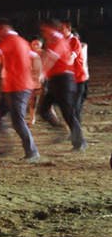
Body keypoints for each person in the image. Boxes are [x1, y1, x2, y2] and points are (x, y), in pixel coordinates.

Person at [0, 19, 39, 161]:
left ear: (2, 29)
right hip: (13, 87)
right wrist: (36, 76)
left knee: (17, 121)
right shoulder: (22, 41)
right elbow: (36, 57)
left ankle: (32, 152)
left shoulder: (10, 40)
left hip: (18, 88)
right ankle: (6, 147)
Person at [39, 19, 87, 152]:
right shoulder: (52, 40)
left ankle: (80, 141)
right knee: (43, 110)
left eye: (45, 29)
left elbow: (52, 58)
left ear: (52, 28)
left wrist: (41, 74)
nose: (43, 32)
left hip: (63, 80)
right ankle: (61, 131)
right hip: (56, 80)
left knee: (68, 113)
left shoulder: (57, 40)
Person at [61, 19, 89, 123]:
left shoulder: (74, 41)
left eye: (62, 28)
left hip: (78, 79)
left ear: (68, 29)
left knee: (75, 109)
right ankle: (74, 127)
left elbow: (70, 60)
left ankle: (76, 129)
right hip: (69, 80)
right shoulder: (62, 42)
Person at [28, 36, 45, 125]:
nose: (35, 45)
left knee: (46, 99)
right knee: (33, 99)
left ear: (41, 44)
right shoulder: (28, 53)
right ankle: (32, 118)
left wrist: (43, 74)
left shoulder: (44, 54)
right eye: (34, 43)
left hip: (43, 79)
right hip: (32, 79)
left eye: (37, 44)